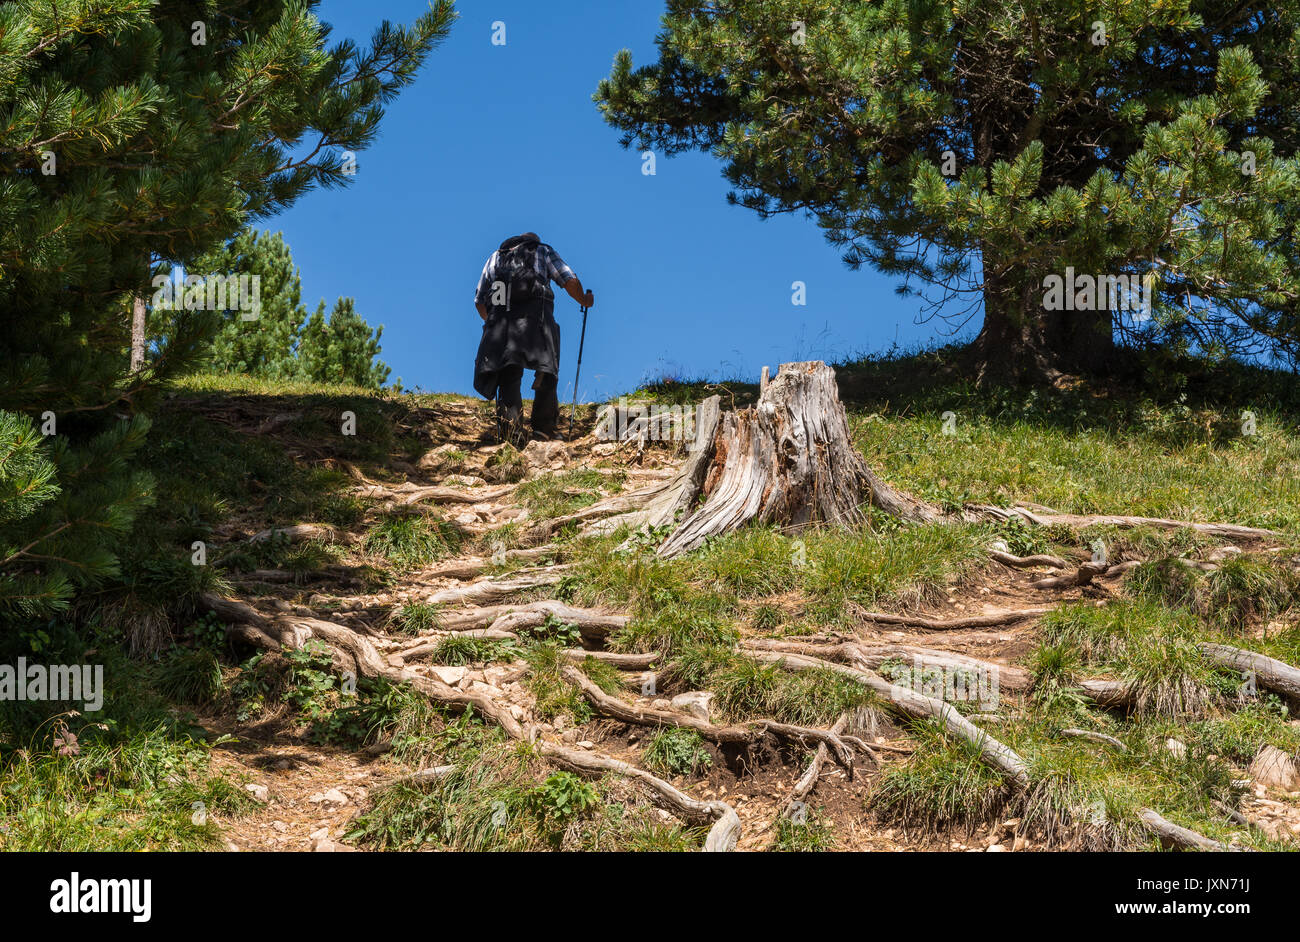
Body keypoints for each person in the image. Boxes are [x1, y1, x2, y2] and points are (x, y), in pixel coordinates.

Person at [472, 232, 594, 443]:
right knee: (547, 370)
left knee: (508, 375)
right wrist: (585, 300)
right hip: (536, 321)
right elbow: (568, 280)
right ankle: (544, 430)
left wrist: (492, 324)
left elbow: (480, 300)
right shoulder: (542, 250)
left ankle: (512, 434)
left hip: (502, 326)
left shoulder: (494, 258)